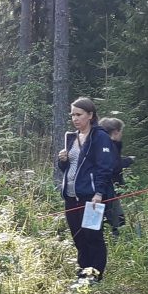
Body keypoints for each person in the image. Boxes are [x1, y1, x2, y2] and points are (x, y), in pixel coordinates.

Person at [56, 97, 115, 280]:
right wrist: (62, 160)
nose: (75, 118)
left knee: (93, 237)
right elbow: (68, 168)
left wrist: (99, 193)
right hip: (71, 197)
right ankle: (83, 275)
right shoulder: (71, 138)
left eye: (79, 114)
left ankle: (95, 276)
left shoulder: (100, 137)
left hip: (91, 197)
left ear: (90, 115)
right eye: (72, 114)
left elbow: (105, 167)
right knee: (78, 238)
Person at [99, 117, 135, 239]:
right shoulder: (108, 145)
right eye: (121, 131)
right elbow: (113, 166)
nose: (122, 134)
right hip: (107, 189)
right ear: (115, 131)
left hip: (104, 188)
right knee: (117, 219)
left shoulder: (107, 144)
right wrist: (128, 161)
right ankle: (117, 240)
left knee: (103, 218)